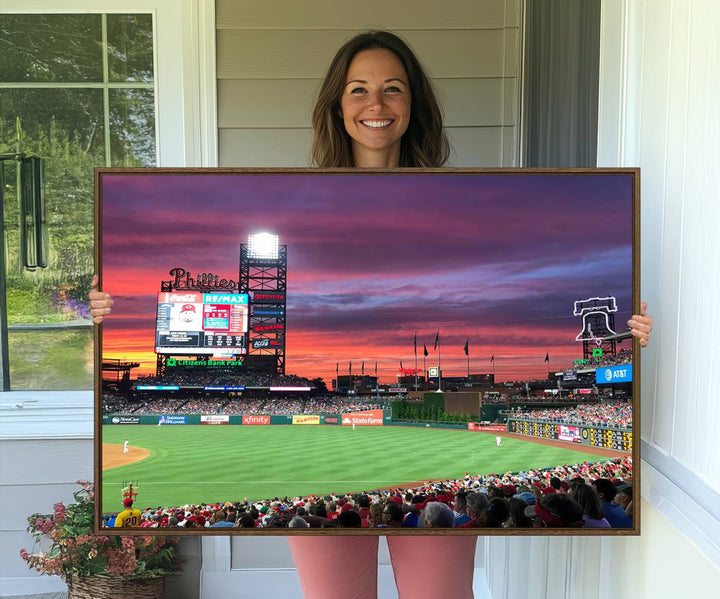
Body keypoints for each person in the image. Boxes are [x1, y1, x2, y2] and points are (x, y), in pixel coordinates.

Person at [90, 29, 653, 599]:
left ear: (414, 104)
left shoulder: (461, 195)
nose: (375, 105)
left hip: (436, 490)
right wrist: (100, 310)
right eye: (358, 89)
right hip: (328, 492)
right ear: (337, 104)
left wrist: (629, 336)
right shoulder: (295, 196)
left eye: (393, 89)